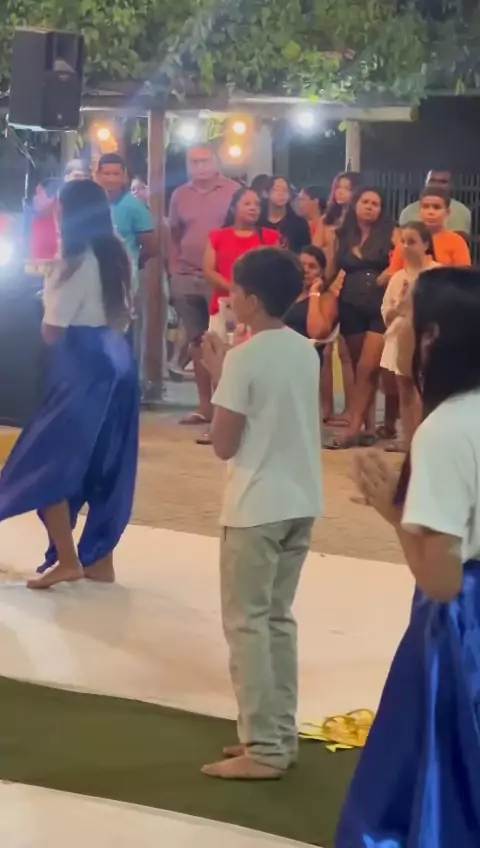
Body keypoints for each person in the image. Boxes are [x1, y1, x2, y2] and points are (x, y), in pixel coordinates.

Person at [337, 265, 480, 846]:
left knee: (443, 765)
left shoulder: (447, 430)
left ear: (431, 337)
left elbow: (443, 581)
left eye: (407, 316)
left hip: (464, 625)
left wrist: (390, 513)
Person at [200, 247, 322, 780]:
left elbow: (223, 443)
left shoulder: (243, 358)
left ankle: (265, 747)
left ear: (250, 299)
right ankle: (278, 735)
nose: (230, 297)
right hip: (301, 499)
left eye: (234, 290)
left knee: (247, 625)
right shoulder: (304, 349)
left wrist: (218, 375)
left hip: (256, 505)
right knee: (276, 621)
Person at [0, 179, 139, 589]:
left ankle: (67, 559)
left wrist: (47, 297)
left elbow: (52, 330)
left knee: (47, 459)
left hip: (83, 364)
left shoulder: (72, 261)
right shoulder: (117, 255)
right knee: (106, 462)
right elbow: (123, 314)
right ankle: (100, 560)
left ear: (67, 213)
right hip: (118, 360)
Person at [169, 144, 238, 426]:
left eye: (205, 160)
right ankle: (204, 406)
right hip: (186, 276)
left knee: (222, 343)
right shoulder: (180, 195)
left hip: (220, 279)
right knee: (197, 342)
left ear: (216, 161)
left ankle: (227, 408)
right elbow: (173, 235)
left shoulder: (233, 191)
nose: (200, 166)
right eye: (194, 161)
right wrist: (174, 270)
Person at [325, 187, 395, 449]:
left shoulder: (392, 234)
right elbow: (330, 271)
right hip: (349, 306)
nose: (369, 207)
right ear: (355, 205)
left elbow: (404, 261)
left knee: (368, 367)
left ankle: (351, 430)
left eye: (375, 204)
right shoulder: (340, 236)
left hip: (381, 307)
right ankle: (367, 427)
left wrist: (392, 270)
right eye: (365, 201)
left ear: (381, 209)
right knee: (358, 369)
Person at [380, 223, 437, 452]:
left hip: (428, 338)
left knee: (425, 390)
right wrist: (400, 306)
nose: (405, 246)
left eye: (411, 242)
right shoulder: (398, 278)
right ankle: (409, 440)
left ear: (425, 244)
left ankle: (426, 441)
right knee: (405, 390)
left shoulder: (436, 274)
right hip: (401, 336)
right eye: (402, 242)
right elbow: (386, 313)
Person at [204, 187, 280, 341]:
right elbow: (209, 271)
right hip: (224, 308)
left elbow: (277, 271)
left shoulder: (271, 237)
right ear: (233, 208)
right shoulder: (217, 236)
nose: (253, 208)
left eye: (257, 204)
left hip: (258, 311)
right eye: (247, 204)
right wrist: (234, 290)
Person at [319, 172, 362, 426]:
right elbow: (317, 254)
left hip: (347, 287)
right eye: (338, 187)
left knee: (347, 352)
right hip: (325, 285)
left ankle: (351, 408)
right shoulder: (325, 222)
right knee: (324, 350)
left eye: (348, 187)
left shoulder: (360, 226)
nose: (341, 192)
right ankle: (326, 407)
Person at [96, 153, 157, 293]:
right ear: (98, 176)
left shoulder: (135, 207)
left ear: (124, 177)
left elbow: (151, 247)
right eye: (106, 173)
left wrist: (132, 261)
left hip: (124, 279)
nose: (111, 179)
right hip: (93, 276)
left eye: (116, 174)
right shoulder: (89, 204)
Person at [388, 186, 471, 274]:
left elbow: (463, 277)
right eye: (425, 207)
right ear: (419, 210)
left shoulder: (456, 241)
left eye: (436, 207)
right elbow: (393, 273)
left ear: (447, 212)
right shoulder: (406, 239)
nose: (430, 212)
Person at [284, 245, 343, 367]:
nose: (306, 270)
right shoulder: (287, 294)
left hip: (305, 356)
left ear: (321, 272)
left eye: (312, 266)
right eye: (302, 265)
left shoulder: (326, 298)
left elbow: (316, 332)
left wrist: (314, 293)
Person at [399, 169, 471, 238]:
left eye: (443, 181)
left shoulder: (461, 211)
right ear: (426, 182)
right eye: (432, 180)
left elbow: (459, 239)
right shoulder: (408, 212)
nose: (436, 185)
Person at [259, 176, 311, 253]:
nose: (281, 193)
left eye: (285, 190)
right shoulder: (258, 222)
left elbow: (306, 253)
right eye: (276, 189)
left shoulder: (299, 223)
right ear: (266, 193)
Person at [29, 178, 61, 262]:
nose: (34, 198)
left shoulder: (59, 222)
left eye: (38, 193)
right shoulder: (38, 222)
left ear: (51, 197)